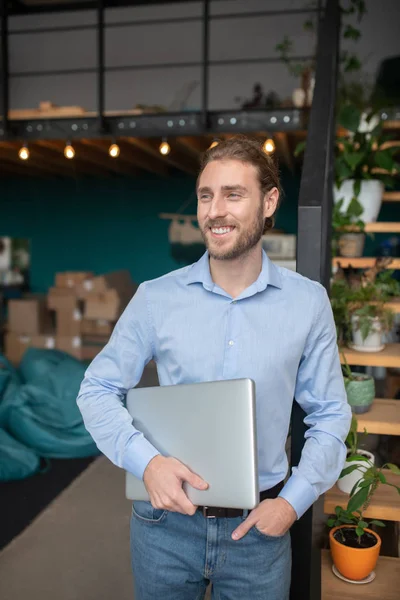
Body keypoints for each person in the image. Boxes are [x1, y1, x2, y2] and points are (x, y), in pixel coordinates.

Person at [77, 136, 351, 600]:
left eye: (233, 194)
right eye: (206, 195)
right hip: (162, 523)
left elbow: (330, 414)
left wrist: (292, 503)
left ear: (269, 202)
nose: (214, 210)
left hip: (260, 529)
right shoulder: (155, 298)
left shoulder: (307, 303)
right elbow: (96, 389)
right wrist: (147, 464)